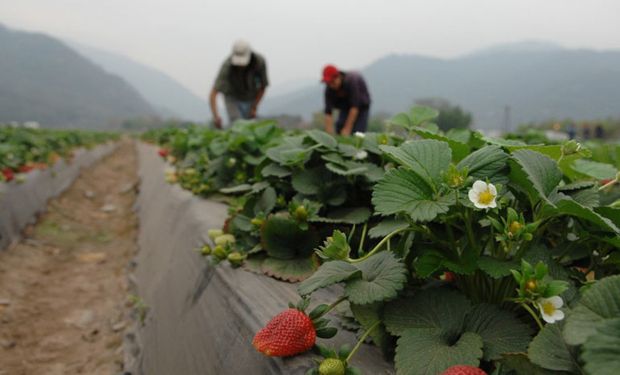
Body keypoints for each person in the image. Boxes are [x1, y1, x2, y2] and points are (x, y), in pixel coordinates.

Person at [209, 40, 269, 128]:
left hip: (250, 96)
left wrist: (254, 107)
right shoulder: (227, 65)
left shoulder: (259, 62)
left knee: (251, 125)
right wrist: (216, 116)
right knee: (237, 124)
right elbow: (214, 93)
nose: (241, 65)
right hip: (232, 96)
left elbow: (263, 87)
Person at [321, 64, 371, 136]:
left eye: (333, 82)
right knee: (339, 127)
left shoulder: (351, 80)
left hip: (361, 107)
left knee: (357, 133)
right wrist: (329, 136)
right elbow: (328, 113)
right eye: (329, 83)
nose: (331, 85)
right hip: (345, 107)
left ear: (338, 77)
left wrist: (347, 129)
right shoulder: (329, 89)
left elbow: (354, 108)